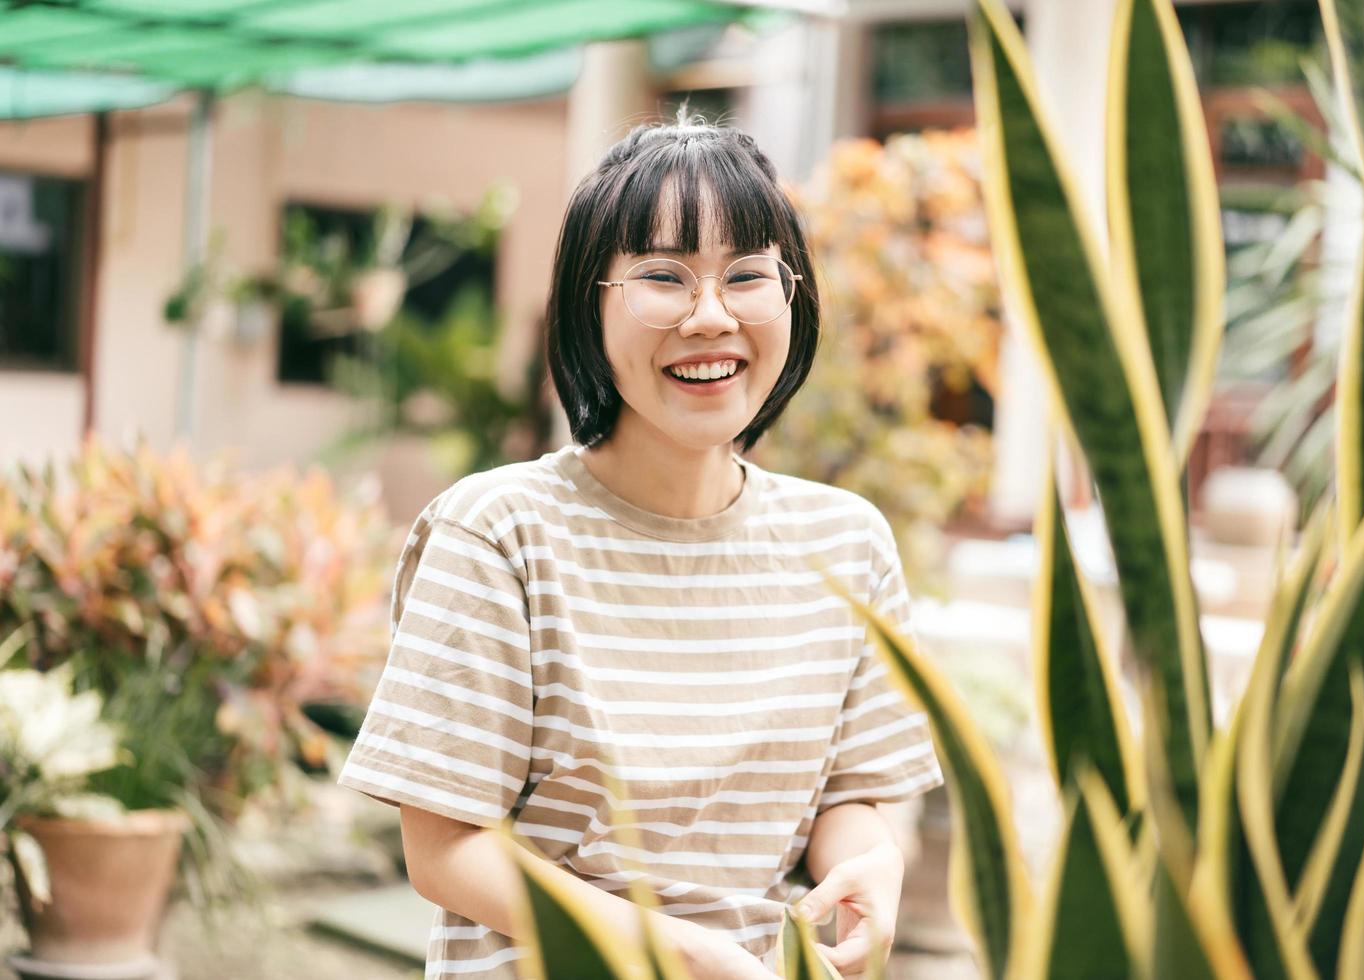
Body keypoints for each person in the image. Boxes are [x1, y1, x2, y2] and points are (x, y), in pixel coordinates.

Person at [337, 113, 945, 980]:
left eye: (746, 276)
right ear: (590, 303)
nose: (710, 317)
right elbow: (447, 850)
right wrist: (678, 953)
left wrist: (873, 866)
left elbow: (854, 796)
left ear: (793, 296)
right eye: (663, 276)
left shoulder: (848, 545)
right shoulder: (499, 533)